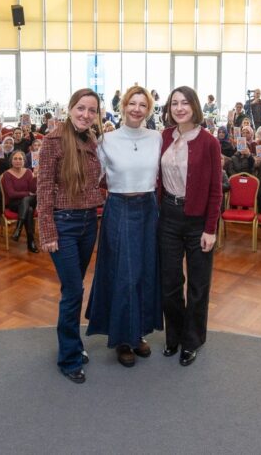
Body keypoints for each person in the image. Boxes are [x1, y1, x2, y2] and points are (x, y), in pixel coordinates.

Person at [87, 85, 162, 367]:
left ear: (149, 110)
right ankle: (122, 338)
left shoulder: (156, 138)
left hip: (148, 209)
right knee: (124, 275)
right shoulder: (106, 139)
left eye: (143, 105)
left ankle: (139, 333)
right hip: (118, 209)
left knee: (145, 272)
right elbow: (93, 178)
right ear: (123, 106)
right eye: (132, 103)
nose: (137, 109)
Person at [37, 88, 105, 384]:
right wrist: (48, 231)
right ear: (70, 108)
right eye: (81, 108)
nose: (85, 115)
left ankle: (73, 346)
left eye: (92, 110)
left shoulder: (90, 139)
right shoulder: (52, 141)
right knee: (74, 291)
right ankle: (68, 358)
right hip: (63, 225)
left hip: (89, 222)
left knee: (73, 289)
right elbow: (43, 188)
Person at [158, 86, 222, 367]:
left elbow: (215, 190)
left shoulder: (209, 142)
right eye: (174, 103)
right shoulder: (163, 137)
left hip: (198, 222)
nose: (179, 108)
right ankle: (174, 336)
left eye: (185, 103)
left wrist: (211, 229)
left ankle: (192, 340)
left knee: (198, 285)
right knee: (170, 284)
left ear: (195, 106)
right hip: (168, 217)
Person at [0, 151, 38, 252]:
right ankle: (31, 241)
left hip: (30, 200)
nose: (18, 161)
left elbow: (33, 191)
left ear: (24, 161)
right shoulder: (7, 174)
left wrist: (35, 177)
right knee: (29, 210)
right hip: (14, 203)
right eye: (15, 159)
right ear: (11, 161)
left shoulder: (29, 172)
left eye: (20, 159)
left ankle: (18, 229)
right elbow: (11, 194)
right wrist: (27, 194)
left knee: (27, 201)